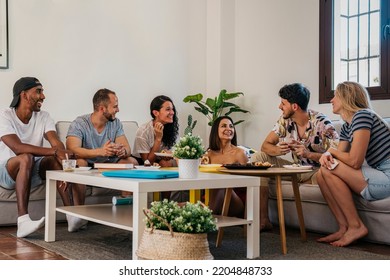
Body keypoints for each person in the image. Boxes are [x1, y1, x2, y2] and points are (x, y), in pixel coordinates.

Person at [251, 83, 339, 231]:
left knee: (330, 173)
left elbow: (337, 156)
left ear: (295, 106)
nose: (280, 106)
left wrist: (308, 154)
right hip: (295, 170)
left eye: (283, 103)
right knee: (258, 157)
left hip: (316, 172)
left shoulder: (322, 123)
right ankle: (264, 219)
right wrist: (278, 150)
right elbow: (265, 145)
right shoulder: (285, 121)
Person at [317, 81, 390, 247]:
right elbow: (340, 157)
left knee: (328, 169)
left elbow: (355, 161)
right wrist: (329, 155)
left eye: (335, 95)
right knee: (323, 172)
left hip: (387, 177)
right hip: (378, 173)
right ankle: (344, 227)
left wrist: (330, 152)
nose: (331, 100)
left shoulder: (362, 115)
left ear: (345, 97)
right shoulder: (346, 126)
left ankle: (356, 226)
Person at [0, 77, 75, 237]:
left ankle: (71, 215)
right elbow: (17, 147)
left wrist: (61, 157)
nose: (43, 96)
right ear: (24, 95)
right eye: (38, 91)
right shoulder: (4, 115)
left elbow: (56, 143)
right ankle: (23, 222)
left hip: (31, 169)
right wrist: (54, 151)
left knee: (52, 160)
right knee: (25, 157)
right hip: (7, 171)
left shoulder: (43, 116)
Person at [66, 88, 138, 231]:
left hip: (109, 164)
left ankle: (126, 214)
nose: (118, 110)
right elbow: (72, 149)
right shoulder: (80, 123)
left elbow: (127, 148)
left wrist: (123, 151)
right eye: (115, 106)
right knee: (80, 163)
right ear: (101, 108)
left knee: (131, 162)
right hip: (88, 163)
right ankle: (79, 216)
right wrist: (100, 151)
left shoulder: (115, 123)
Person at [132, 95, 180, 199]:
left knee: (165, 163)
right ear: (155, 113)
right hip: (143, 163)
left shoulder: (172, 129)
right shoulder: (143, 131)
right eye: (168, 109)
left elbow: (177, 152)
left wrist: (170, 154)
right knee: (162, 164)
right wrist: (158, 139)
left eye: (172, 109)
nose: (172, 112)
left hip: (163, 161)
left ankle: (165, 203)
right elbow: (147, 162)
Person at [205, 116, 248, 217]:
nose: (228, 129)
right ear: (216, 130)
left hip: (235, 200)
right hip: (211, 197)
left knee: (221, 183)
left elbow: (248, 182)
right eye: (224, 126)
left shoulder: (240, 153)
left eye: (231, 126)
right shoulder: (209, 154)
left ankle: (206, 215)